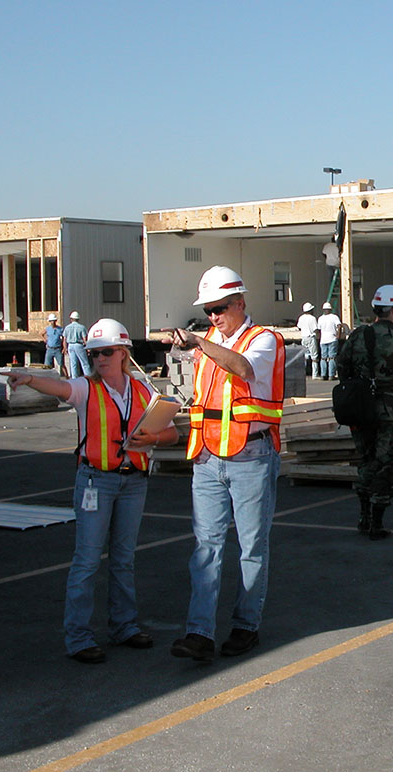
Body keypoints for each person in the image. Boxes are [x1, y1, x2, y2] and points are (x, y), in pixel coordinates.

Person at [2, 319, 176, 663]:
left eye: (107, 352)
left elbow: (170, 433)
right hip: (97, 480)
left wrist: (153, 438)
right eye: (95, 353)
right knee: (86, 560)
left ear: (124, 353)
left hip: (133, 482)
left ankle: (124, 626)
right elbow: (61, 389)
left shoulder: (144, 392)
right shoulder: (86, 388)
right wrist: (31, 379)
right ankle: (79, 637)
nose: (100, 359)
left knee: (124, 560)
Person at [170, 265, 285, 664]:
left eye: (220, 308)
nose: (214, 317)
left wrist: (201, 343)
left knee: (252, 546)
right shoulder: (210, 345)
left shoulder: (263, 339)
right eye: (208, 311)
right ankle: (199, 633)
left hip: (251, 456)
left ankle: (245, 625)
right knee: (207, 548)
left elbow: (243, 368)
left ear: (240, 303)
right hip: (208, 457)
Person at [336, 284, 393, 539]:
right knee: (386, 464)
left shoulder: (358, 336)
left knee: (365, 460)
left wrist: (356, 388)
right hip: (391, 412)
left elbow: (341, 365)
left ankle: (364, 516)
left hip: (361, 410)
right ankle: (376, 521)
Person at [317, 302, 342, 380]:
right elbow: (339, 326)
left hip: (323, 340)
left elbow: (319, 330)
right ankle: (331, 375)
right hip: (332, 338)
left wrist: (318, 338)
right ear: (330, 309)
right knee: (332, 357)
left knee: (323, 358)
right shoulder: (334, 317)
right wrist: (338, 335)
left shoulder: (320, 318)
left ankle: (323, 375)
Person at [64, 311, 91, 378]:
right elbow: (84, 339)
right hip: (79, 345)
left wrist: (65, 348)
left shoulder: (67, 328)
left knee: (73, 364)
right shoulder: (82, 327)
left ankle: (74, 379)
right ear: (78, 319)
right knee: (84, 363)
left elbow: (64, 339)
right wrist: (88, 348)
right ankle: (89, 378)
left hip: (70, 345)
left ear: (71, 319)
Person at [297, 301, 319, 378]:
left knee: (305, 356)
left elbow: (299, 327)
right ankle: (314, 374)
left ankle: (303, 374)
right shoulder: (313, 318)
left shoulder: (301, 318)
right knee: (314, 357)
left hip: (304, 338)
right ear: (310, 310)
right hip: (311, 337)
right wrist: (319, 335)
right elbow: (315, 329)